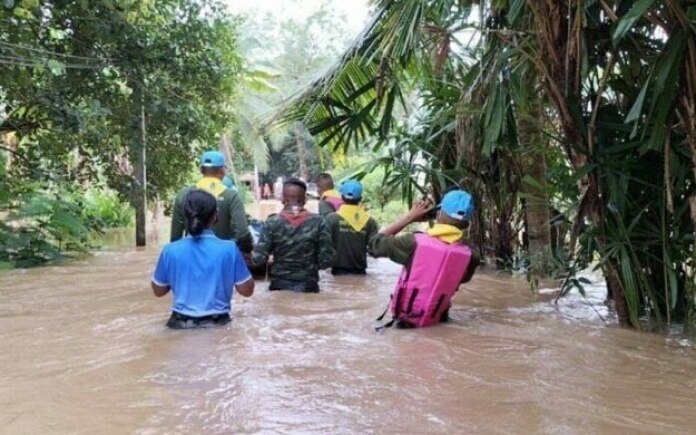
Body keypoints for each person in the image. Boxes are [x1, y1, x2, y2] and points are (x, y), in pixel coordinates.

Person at [369, 190, 480, 328]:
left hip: (403, 325)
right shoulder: (471, 255)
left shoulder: (412, 242)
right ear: (467, 224)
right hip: (438, 323)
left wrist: (409, 217)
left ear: (439, 214)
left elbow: (374, 245)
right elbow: (462, 279)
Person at [151, 189, 254, 329]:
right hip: (217, 324)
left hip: (178, 324)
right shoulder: (229, 249)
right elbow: (247, 291)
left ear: (186, 216)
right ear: (215, 217)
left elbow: (158, 291)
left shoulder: (170, 251)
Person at [251, 178, 335, 292]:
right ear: (305, 199)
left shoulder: (272, 222)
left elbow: (258, 259)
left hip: (279, 285)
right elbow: (327, 260)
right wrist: (310, 267)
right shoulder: (319, 222)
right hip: (308, 285)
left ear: (282, 199)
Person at [170, 151, 253, 255]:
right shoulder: (232, 196)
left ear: (201, 170)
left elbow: (175, 238)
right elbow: (242, 233)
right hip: (222, 257)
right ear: (223, 170)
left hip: (190, 257)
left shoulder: (183, 194)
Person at [325, 180, 379, 275]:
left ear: (342, 197)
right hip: (360, 272)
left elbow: (325, 245)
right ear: (360, 199)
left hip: (337, 271)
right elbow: (375, 250)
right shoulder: (370, 221)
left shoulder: (332, 218)